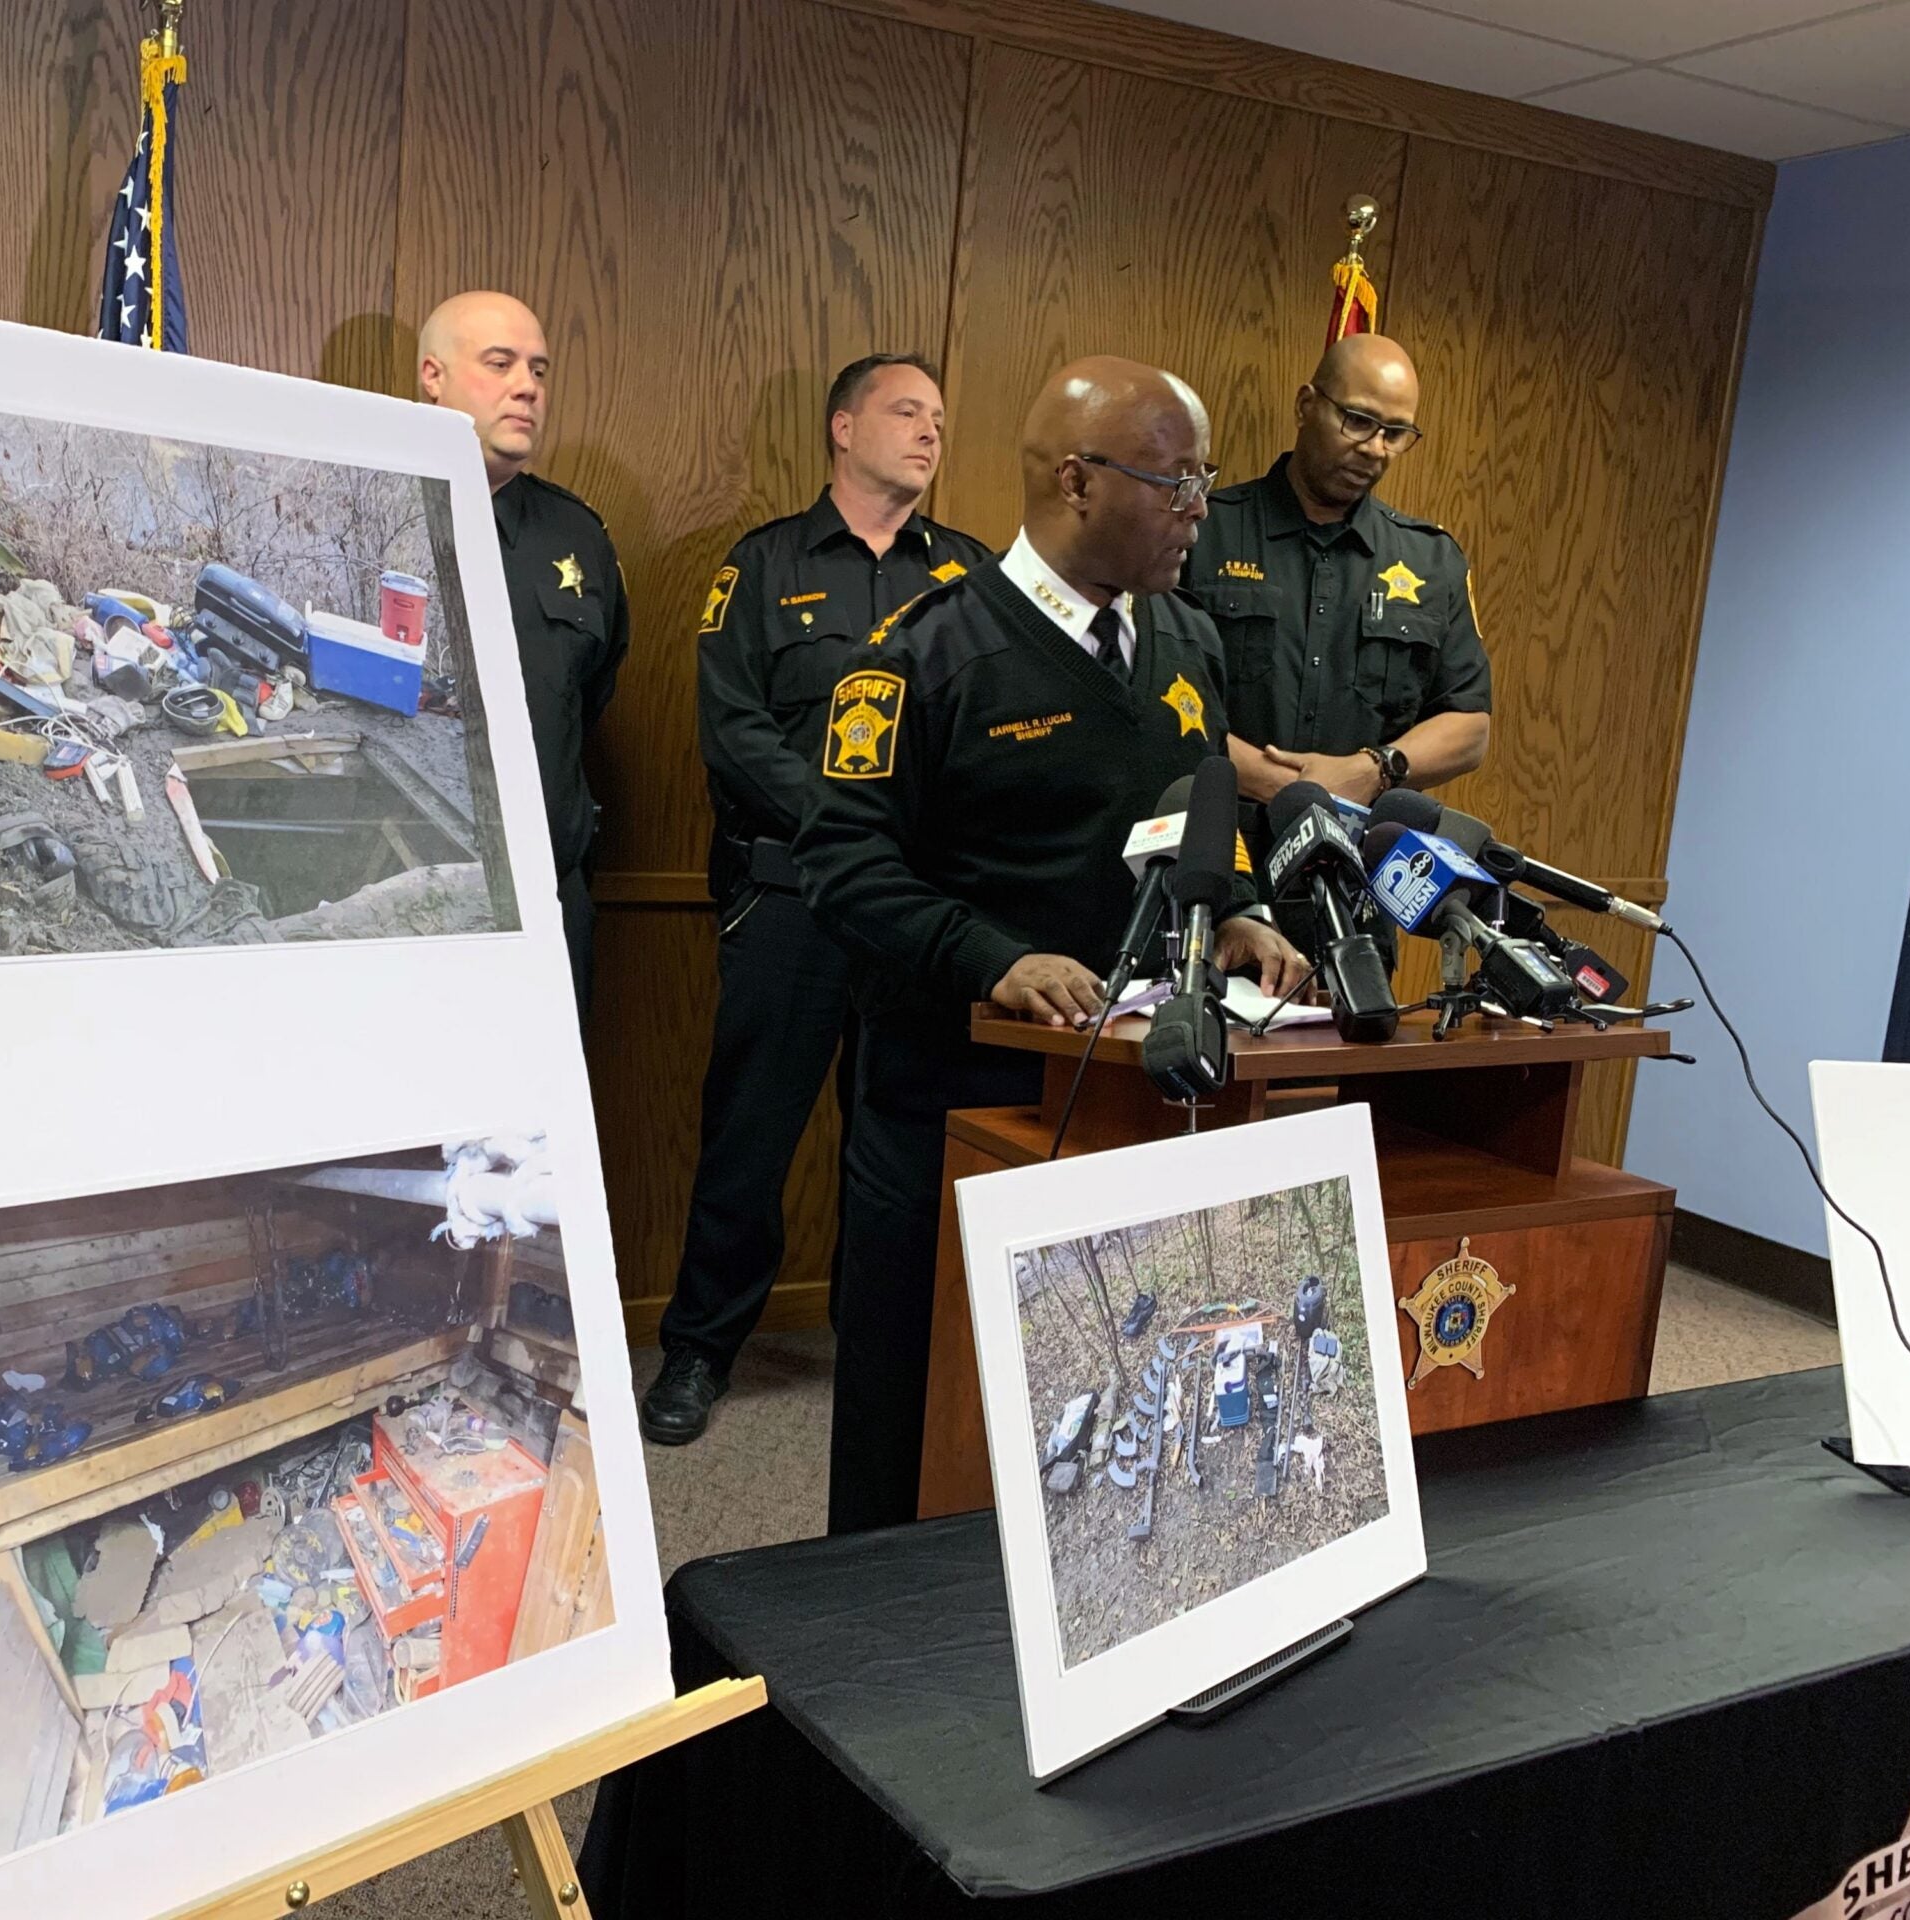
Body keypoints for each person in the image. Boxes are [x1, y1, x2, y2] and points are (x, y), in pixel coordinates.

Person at [795, 355, 1309, 1534]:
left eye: (1204, 479)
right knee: (914, 1410)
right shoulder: (917, 655)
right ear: (1078, 480)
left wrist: (1234, 907)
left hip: (1132, 1101)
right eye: (1175, 482)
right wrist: (993, 957)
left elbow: (1196, 823)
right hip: (952, 1102)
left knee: (1091, 1395)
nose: (1200, 511)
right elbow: (843, 868)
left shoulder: (1183, 642)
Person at [640, 356, 996, 1447]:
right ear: (843, 428)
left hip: (915, 910)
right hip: (793, 896)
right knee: (752, 1131)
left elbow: (985, 723)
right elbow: (734, 728)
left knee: (898, 1138)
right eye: (905, 412)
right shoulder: (762, 567)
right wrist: (850, 820)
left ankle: (878, 1338)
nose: (929, 433)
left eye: (940, 416)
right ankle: (700, 1348)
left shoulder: (971, 578)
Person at [418, 290, 630, 1021]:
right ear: (433, 376)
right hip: (411, 895)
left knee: (540, 1132)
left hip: (546, 899)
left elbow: (583, 695)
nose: (527, 388)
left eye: (538, 370)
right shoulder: (378, 506)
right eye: (500, 363)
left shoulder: (577, 538)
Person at [1184, 333, 1491, 810]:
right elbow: (1151, 695)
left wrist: (1373, 769)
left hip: (1360, 858)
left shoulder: (1431, 560)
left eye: (1395, 433)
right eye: (1358, 421)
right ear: (1306, 405)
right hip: (1217, 839)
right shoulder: (1200, 532)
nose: (1375, 449)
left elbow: (1469, 726)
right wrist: (1274, 783)